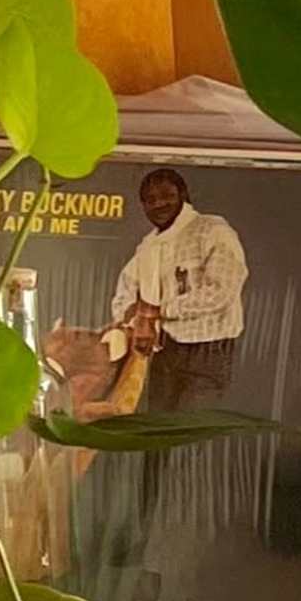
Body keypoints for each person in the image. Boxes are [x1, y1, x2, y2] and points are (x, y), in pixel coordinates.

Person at [106, 161, 251, 412]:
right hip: (165, 352)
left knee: (187, 434)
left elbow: (222, 290)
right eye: (150, 200)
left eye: (166, 196)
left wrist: (159, 310)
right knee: (156, 436)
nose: (158, 204)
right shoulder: (148, 246)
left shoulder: (212, 230)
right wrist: (133, 316)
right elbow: (124, 292)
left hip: (207, 353)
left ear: (183, 196)